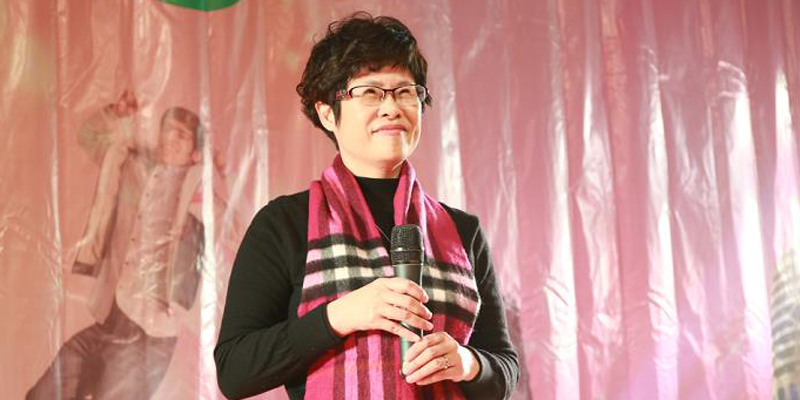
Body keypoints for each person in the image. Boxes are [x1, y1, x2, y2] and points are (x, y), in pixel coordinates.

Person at [214, 12, 519, 400]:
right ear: (327, 112)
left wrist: (467, 362)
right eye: (371, 92)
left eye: (405, 91)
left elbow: (505, 368)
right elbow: (235, 370)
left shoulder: (462, 231)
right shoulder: (285, 223)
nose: (392, 108)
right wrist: (340, 316)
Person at [27, 93, 222, 399]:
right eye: (168, 130)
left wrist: (224, 175)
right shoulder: (134, 168)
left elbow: (238, 227)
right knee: (49, 390)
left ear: (195, 154)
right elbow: (89, 138)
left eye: (182, 136)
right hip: (114, 314)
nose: (171, 139)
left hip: (151, 332)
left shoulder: (200, 194)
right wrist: (115, 113)